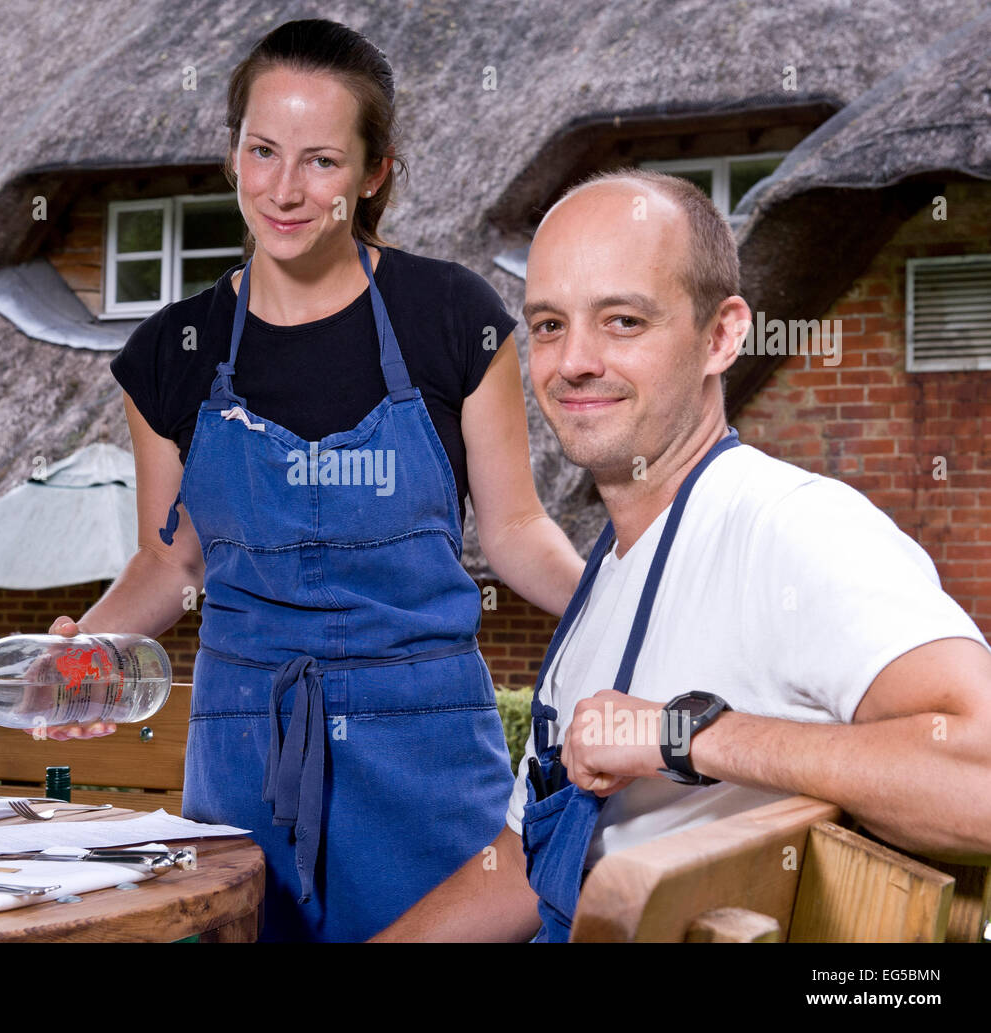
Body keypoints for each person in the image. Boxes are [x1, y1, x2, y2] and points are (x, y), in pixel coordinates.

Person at [44, 18, 585, 942]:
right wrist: (76, 655)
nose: (285, 191)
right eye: (262, 151)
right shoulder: (172, 352)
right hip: (243, 764)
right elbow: (171, 567)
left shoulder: (454, 317)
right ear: (232, 154)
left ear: (374, 174)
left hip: (429, 759)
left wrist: (625, 608)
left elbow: (515, 530)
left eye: (322, 161)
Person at [373, 168, 991, 942]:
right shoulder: (604, 579)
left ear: (723, 335)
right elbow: (534, 862)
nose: (574, 362)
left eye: (624, 320)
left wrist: (684, 734)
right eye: (550, 324)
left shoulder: (790, 527)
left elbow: (982, 777)